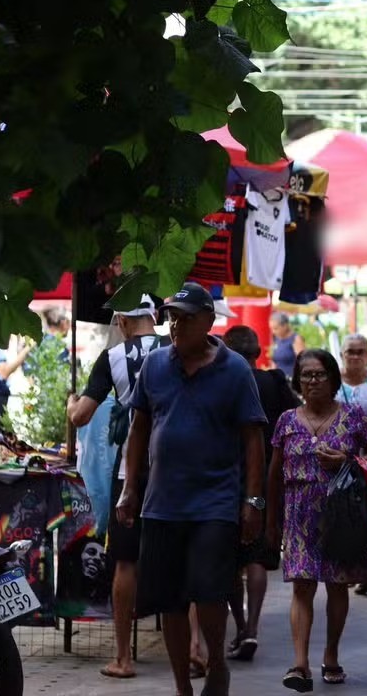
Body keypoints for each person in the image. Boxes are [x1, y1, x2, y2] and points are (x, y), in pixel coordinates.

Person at [116, 281, 268, 696]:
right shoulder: (155, 365)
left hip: (215, 503)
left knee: (209, 592)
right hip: (162, 503)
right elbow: (139, 427)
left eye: (185, 318)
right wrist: (130, 489)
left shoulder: (234, 369)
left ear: (207, 321)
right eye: (171, 318)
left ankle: (217, 661)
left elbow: (253, 438)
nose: (176, 325)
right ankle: (183, 686)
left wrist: (253, 501)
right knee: (169, 601)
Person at [266, 350, 367, 692]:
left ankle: (331, 654)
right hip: (298, 513)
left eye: (319, 374)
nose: (312, 381)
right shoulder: (287, 421)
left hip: (342, 515)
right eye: (306, 375)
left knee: (337, 584)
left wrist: (348, 459)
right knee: (302, 586)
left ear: (334, 379)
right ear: (297, 381)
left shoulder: (353, 417)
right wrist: (270, 520)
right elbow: (274, 474)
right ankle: (300, 663)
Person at [66, 293, 166, 679]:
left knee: (125, 560)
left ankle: (124, 657)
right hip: (177, 467)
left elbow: (81, 416)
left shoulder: (112, 358)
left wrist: (71, 403)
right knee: (185, 553)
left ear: (122, 321)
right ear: (154, 317)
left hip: (132, 469)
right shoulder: (178, 345)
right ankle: (196, 649)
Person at [222, 325, 300, 663]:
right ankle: (252, 626)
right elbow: (296, 415)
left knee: (229, 560)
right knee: (256, 557)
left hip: (226, 476)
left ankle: (240, 624)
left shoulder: (222, 381)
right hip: (267, 476)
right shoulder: (273, 382)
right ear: (258, 352)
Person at [336, 334, 367, 413]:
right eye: (350, 352)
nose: (355, 357)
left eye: (360, 352)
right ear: (341, 355)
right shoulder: (330, 380)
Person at [271, 313, 305, 380]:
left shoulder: (296, 339)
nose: (273, 331)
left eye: (275, 328)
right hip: (278, 380)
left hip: (291, 379)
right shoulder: (276, 339)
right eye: (272, 328)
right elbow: (275, 361)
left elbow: (303, 361)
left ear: (285, 326)